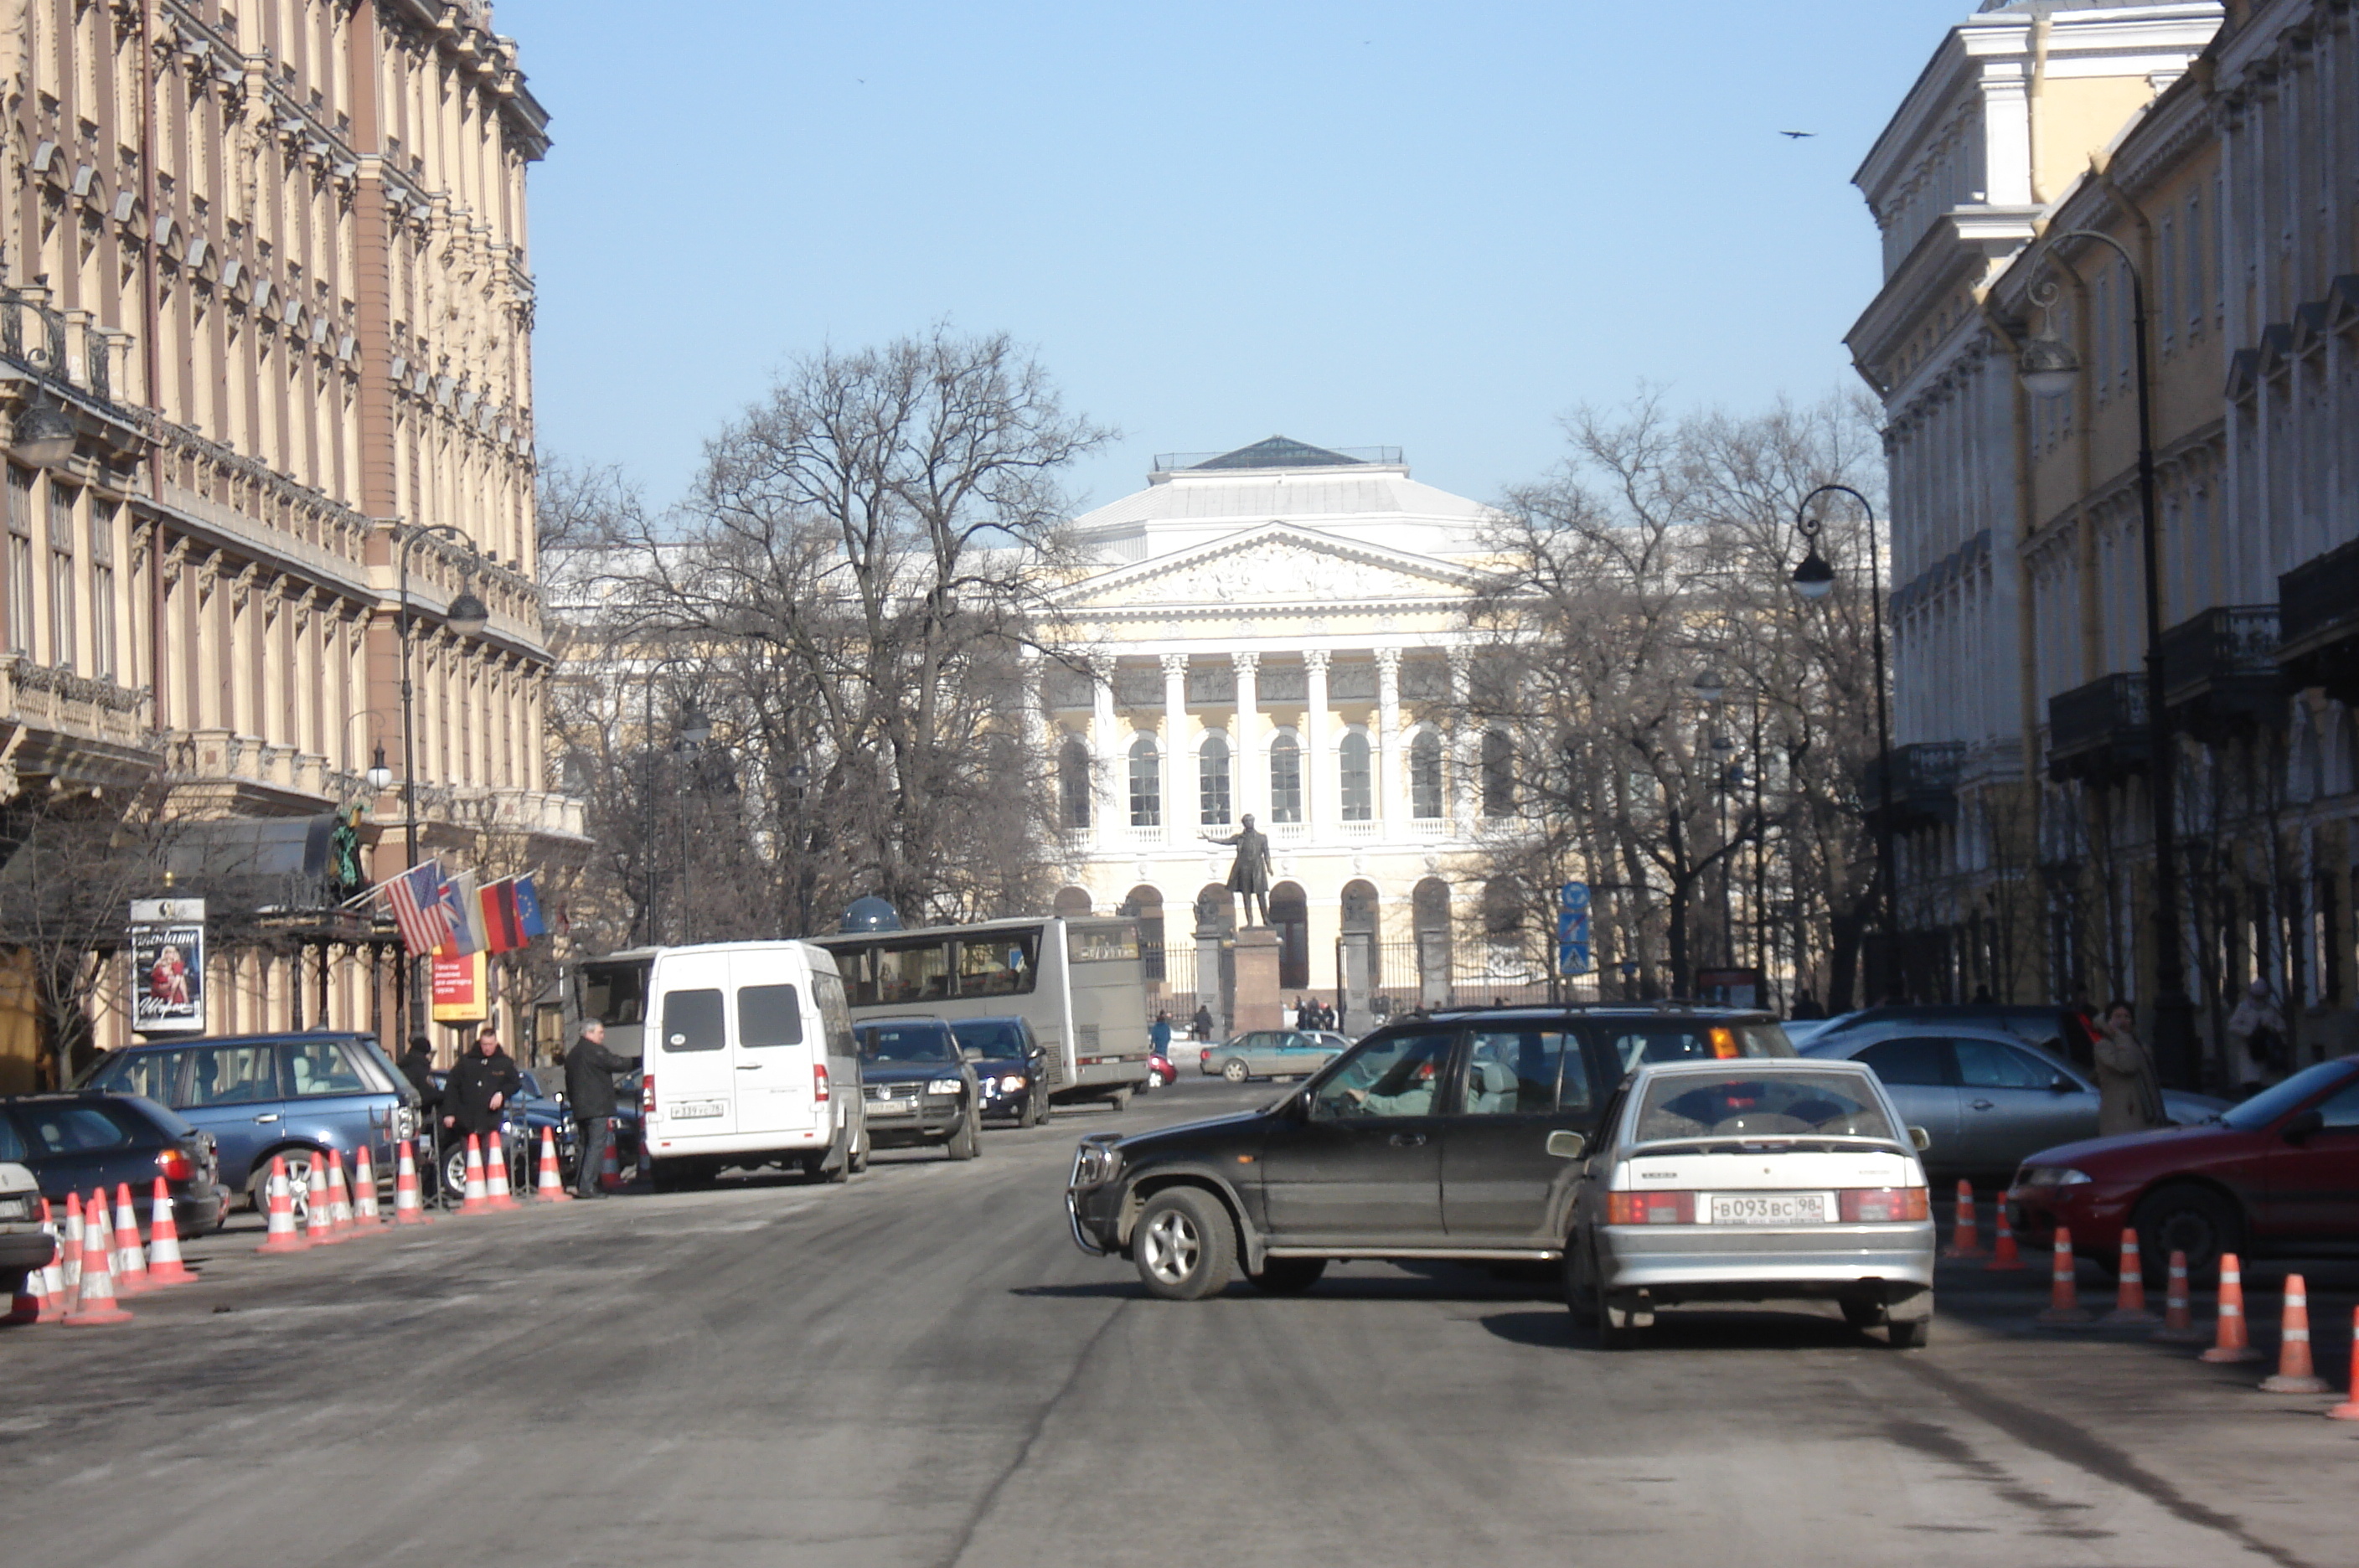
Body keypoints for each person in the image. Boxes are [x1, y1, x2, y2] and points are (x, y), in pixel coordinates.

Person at [563, 1019, 637, 1198]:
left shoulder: (573, 1054)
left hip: (579, 1108)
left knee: (584, 1145)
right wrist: (638, 1061)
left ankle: (580, 1183)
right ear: (589, 1033)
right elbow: (616, 1063)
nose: (603, 1036)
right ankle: (588, 1186)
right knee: (596, 1146)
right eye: (600, 1032)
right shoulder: (594, 1051)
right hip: (596, 1107)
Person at [441, 1026, 523, 1162]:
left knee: (487, 1159)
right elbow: (452, 1086)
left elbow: (515, 1083)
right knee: (470, 1160)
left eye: (490, 1044)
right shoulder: (466, 1061)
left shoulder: (504, 1063)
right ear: (480, 1043)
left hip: (489, 1120)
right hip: (466, 1121)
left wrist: (501, 1094)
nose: (487, 1048)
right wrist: (449, 1112)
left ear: (496, 1043)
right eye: (484, 1044)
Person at [2091, 998, 2165, 1137]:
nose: (2122, 1021)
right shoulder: (2104, 1046)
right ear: (2108, 1021)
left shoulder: (2136, 1045)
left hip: (2144, 1115)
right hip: (2122, 1118)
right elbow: (2127, 1066)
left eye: (2127, 1017)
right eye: (2117, 1017)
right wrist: (2119, 1035)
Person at [2225, 978, 2287, 1093]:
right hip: (2249, 1052)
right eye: (2256, 997)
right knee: (2252, 1085)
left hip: (2268, 1054)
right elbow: (2232, 1026)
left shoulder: (2271, 1009)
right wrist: (2249, 1031)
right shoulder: (2243, 1008)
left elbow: (2282, 1026)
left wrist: (2271, 1028)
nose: (2258, 1000)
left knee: (2267, 1086)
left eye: (2261, 997)